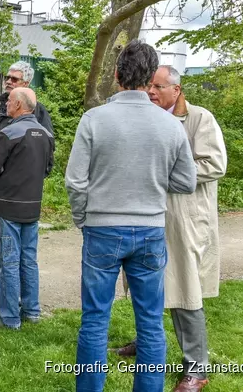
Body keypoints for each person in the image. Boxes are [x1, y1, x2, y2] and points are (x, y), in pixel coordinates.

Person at [65, 40, 197, 392]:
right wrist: (151, 177)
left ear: (116, 74)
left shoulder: (94, 119)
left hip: (102, 229)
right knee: (151, 323)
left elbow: (75, 180)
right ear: (149, 78)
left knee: (94, 320)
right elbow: (186, 181)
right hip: (150, 229)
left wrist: (83, 218)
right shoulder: (170, 125)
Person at [113, 65, 227, 392]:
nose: (151, 91)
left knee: (184, 293)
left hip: (183, 222)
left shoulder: (199, 119)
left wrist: (162, 172)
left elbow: (215, 164)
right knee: (145, 281)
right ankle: (147, 342)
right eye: (149, 85)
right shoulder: (147, 117)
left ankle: (197, 368)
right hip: (148, 217)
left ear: (176, 90)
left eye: (159, 87)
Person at [0, 60, 53, 289]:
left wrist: (39, 175)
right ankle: (1, 271)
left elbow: (47, 144)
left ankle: (12, 278)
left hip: (19, 186)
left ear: (26, 83)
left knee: (16, 238)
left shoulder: (36, 110)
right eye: (8, 77)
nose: (8, 81)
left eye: (14, 79)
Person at [0, 88, 54, 329]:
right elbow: (47, 168)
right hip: (32, 205)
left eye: (10, 102)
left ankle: (9, 317)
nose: (6, 105)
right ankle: (32, 311)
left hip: (8, 205)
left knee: (9, 263)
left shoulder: (9, 132)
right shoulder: (46, 133)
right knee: (29, 260)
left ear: (20, 105)